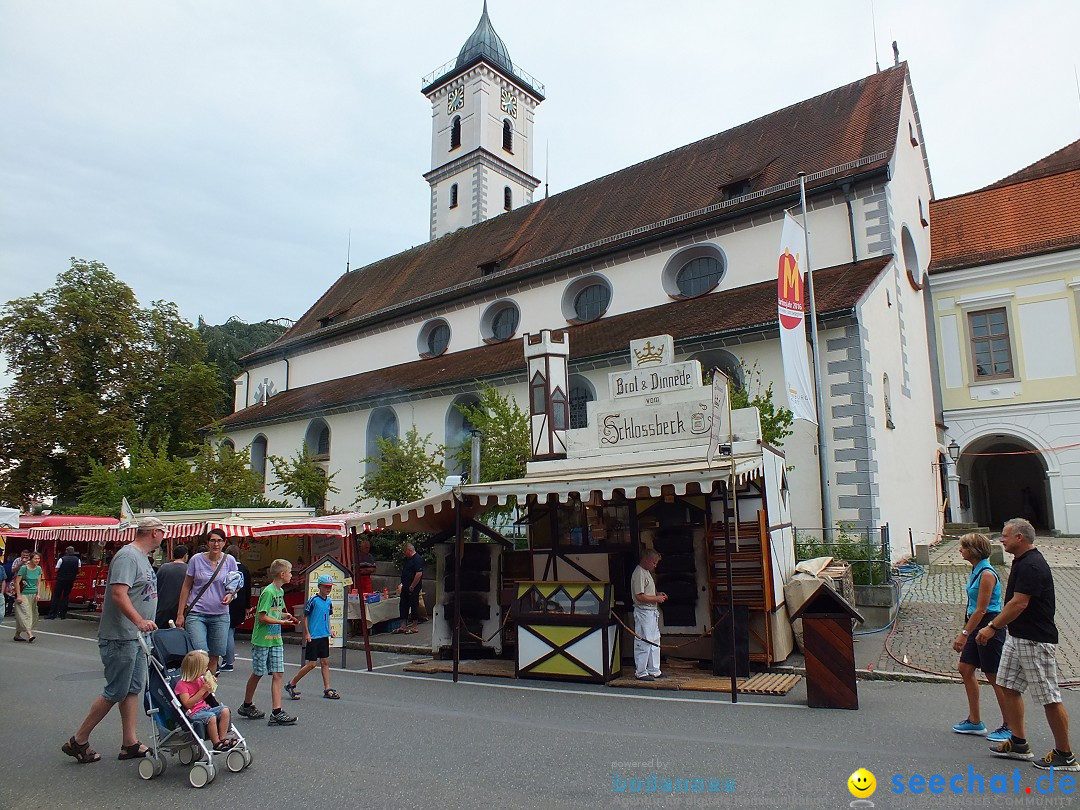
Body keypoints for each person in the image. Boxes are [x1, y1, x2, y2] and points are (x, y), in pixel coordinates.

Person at [62, 516, 164, 764]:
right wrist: (139, 620)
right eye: (163, 532)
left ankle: (129, 742)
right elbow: (119, 593)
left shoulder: (141, 558)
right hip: (121, 635)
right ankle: (79, 739)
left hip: (137, 637)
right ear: (153, 533)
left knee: (132, 689)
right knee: (115, 690)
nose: (164, 536)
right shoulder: (128, 557)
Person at [980, 518, 1078, 771]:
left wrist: (992, 627)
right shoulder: (1022, 561)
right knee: (1008, 685)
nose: (1001, 539)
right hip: (1018, 635)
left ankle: (1064, 754)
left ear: (1020, 538)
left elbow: (1019, 603)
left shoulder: (1032, 565)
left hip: (1035, 639)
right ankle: (1019, 742)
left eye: (1005, 536)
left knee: (1048, 696)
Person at [950, 533, 1009, 741]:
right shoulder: (976, 569)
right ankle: (975, 721)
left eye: (963, 547)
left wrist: (964, 634)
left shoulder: (986, 574)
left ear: (973, 550)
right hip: (976, 623)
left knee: (994, 676)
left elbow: (981, 610)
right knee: (965, 669)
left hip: (988, 625)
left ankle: (1010, 725)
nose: (960, 551)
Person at [238, 559, 298, 726]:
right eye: (290, 572)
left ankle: (277, 711)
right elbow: (262, 617)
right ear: (282, 574)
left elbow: (276, 613)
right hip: (262, 640)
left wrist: (287, 617)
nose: (291, 575)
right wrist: (282, 623)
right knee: (258, 672)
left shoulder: (280, 592)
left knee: (278, 673)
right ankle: (247, 704)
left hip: (275, 639)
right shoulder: (269, 592)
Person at [176, 529, 239, 674]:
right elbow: (186, 586)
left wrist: (231, 595)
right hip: (197, 613)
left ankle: (208, 691)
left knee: (214, 656)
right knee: (200, 654)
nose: (216, 544)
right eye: (213, 540)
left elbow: (235, 585)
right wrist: (180, 614)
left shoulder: (229, 561)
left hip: (220, 614)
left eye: (219, 541)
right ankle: (196, 688)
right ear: (207, 542)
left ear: (224, 543)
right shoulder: (196, 560)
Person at [285, 574, 340, 700]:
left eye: (330, 587)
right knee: (312, 664)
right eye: (326, 586)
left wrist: (330, 629)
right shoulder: (313, 600)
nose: (328, 589)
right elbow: (305, 616)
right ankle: (291, 683)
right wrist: (307, 633)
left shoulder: (329, 601)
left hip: (324, 635)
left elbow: (328, 617)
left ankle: (327, 688)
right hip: (314, 636)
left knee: (325, 662)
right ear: (320, 586)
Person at [175, 649, 235, 751]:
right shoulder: (182, 685)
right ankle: (216, 743)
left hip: (204, 708)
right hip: (193, 713)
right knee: (211, 717)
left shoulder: (199, 680)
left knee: (225, 710)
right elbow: (187, 704)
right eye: (204, 667)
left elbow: (203, 697)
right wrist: (203, 690)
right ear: (196, 669)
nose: (206, 668)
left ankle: (223, 738)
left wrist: (209, 688)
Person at [631, 548, 667, 682]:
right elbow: (639, 596)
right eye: (654, 563)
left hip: (651, 611)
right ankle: (641, 671)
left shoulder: (646, 572)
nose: (655, 566)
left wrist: (657, 595)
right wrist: (656, 599)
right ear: (646, 560)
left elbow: (646, 593)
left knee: (654, 640)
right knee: (644, 641)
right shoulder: (639, 573)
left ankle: (654, 670)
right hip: (643, 612)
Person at [220, 544, 252, 673]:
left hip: (227, 602)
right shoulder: (244, 568)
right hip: (240, 604)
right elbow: (248, 588)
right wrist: (247, 606)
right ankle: (227, 660)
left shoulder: (225, 568)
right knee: (230, 631)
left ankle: (228, 661)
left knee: (227, 632)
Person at [155, 544, 189, 630]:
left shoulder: (163, 568)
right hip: (180, 611)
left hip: (162, 608)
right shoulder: (188, 569)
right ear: (185, 556)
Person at [13, 551, 44, 642]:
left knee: (29, 614)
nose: (37, 560)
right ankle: (30, 634)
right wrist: (18, 595)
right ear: (31, 559)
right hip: (24, 594)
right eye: (35, 558)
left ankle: (17, 634)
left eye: (38, 559)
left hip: (33, 594)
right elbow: (17, 582)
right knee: (26, 614)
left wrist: (38, 593)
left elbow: (38, 582)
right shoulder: (24, 568)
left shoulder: (38, 568)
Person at [46, 546, 82, 620]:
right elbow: (79, 570)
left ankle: (52, 614)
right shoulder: (77, 560)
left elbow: (56, 569)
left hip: (61, 579)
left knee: (56, 596)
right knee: (66, 596)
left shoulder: (61, 559)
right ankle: (63, 614)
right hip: (71, 580)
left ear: (66, 551)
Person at [395, 542, 424, 634]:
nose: (404, 553)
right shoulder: (407, 560)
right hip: (405, 585)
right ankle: (403, 625)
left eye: (405, 551)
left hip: (413, 587)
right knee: (403, 604)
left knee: (413, 604)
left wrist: (412, 586)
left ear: (409, 550)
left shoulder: (417, 559)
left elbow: (418, 574)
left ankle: (414, 626)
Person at [5, 550, 31, 617]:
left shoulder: (31, 561)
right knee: (16, 597)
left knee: (26, 597)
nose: (25, 557)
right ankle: (16, 613)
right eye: (23, 555)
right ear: (21, 555)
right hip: (17, 580)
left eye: (26, 556)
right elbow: (13, 570)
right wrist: (21, 563)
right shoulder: (17, 560)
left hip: (28, 581)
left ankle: (24, 613)